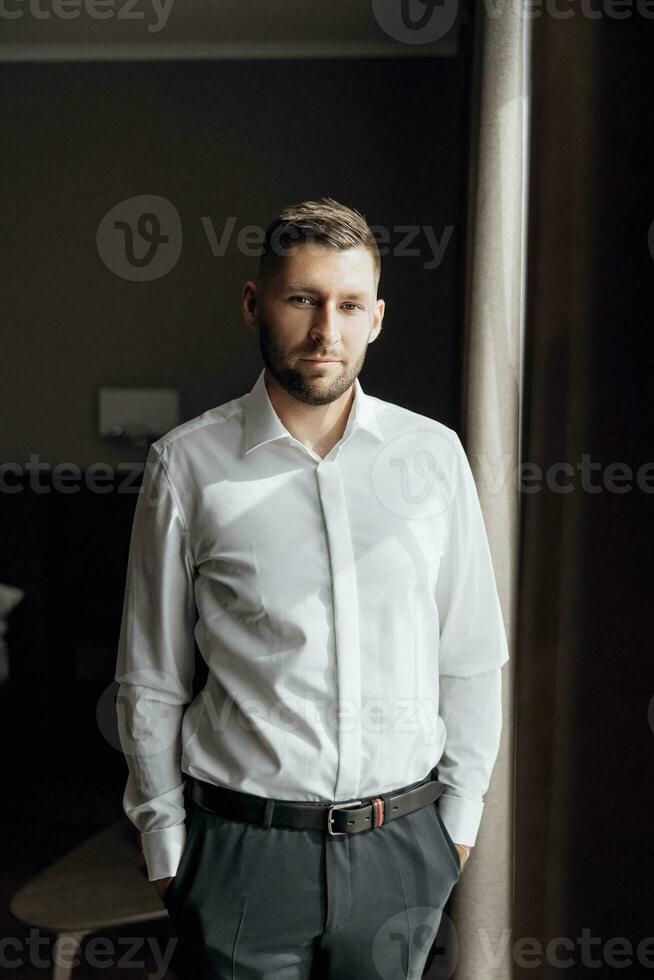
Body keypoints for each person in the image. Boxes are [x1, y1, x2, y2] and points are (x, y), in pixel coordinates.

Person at [114, 197, 509, 979]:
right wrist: (168, 852)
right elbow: (150, 679)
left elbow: (469, 658)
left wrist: (453, 832)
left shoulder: (433, 458)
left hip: (403, 848)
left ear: (377, 318)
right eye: (303, 300)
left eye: (349, 304)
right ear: (255, 303)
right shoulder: (186, 466)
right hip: (239, 856)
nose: (327, 330)